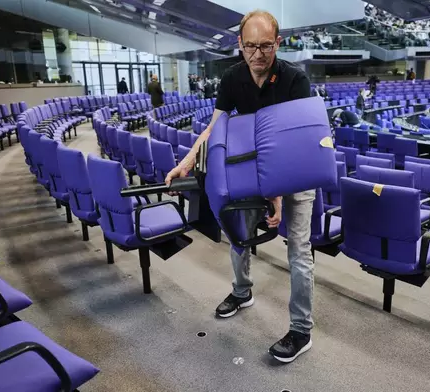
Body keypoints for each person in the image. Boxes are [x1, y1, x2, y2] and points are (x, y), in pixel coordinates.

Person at [164, 10, 314, 364]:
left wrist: (276, 194)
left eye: (266, 46)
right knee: (238, 234)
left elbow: (294, 145)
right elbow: (214, 129)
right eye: (250, 46)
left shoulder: (295, 81)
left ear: (277, 43)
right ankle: (242, 292)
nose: (258, 55)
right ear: (240, 45)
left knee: (299, 250)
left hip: (295, 169)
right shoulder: (232, 78)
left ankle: (301, 329)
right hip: (252, 169)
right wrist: (185, 163)